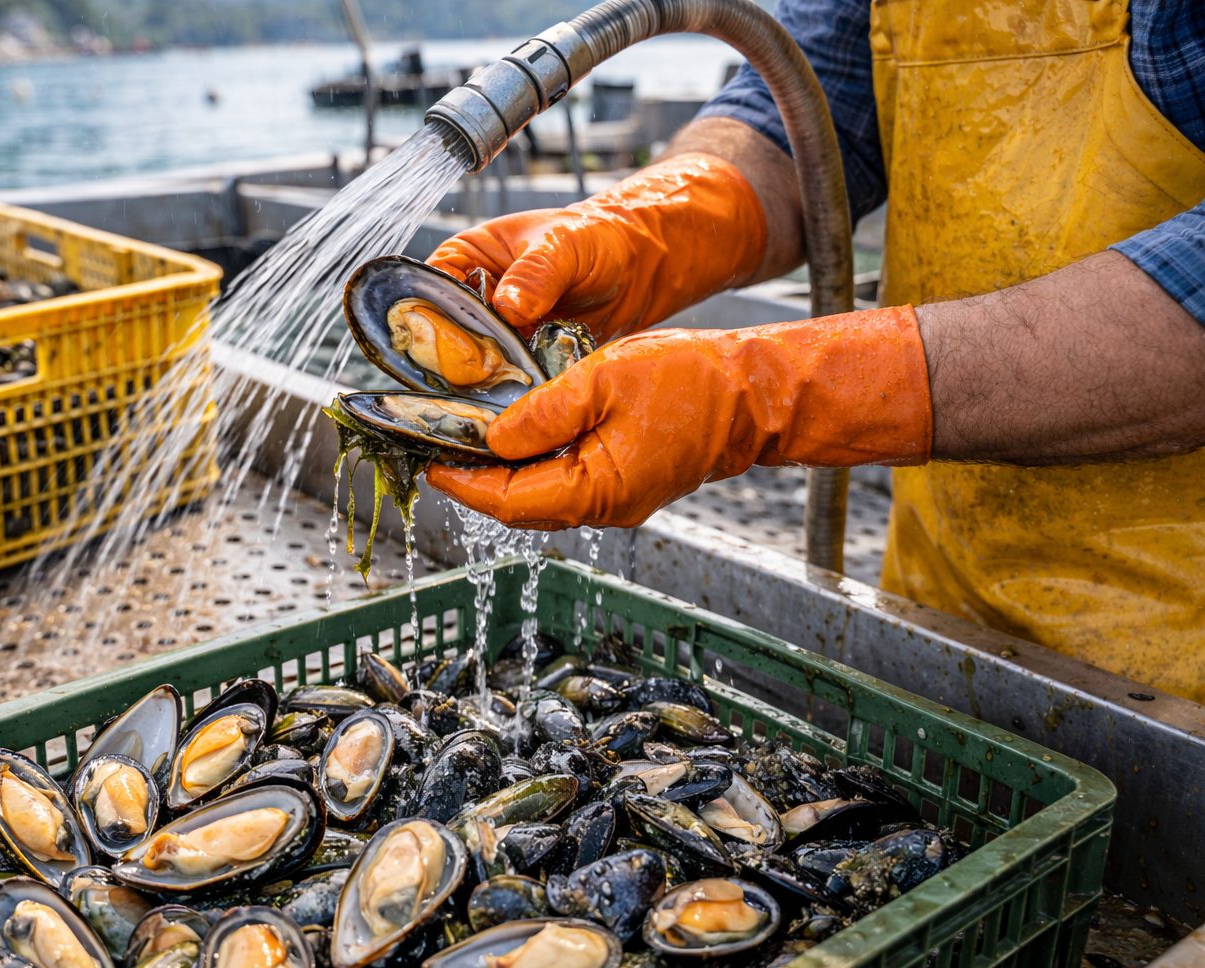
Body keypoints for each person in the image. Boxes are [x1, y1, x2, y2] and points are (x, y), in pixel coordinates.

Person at [423, 0, 1205, 701]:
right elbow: (797, 109)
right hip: (942, 609)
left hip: (1183, 673)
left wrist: (760, 390)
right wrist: (644, 228)